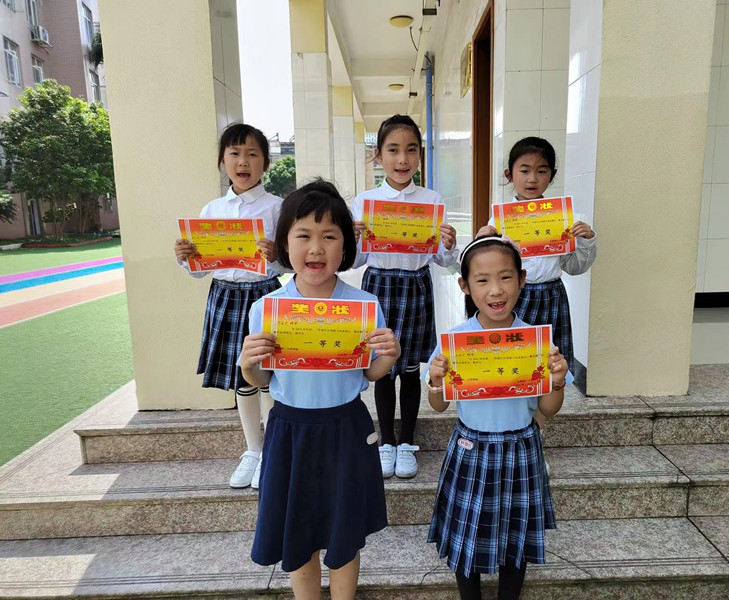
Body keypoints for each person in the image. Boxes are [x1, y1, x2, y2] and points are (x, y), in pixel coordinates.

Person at [239, 180, 400, 600]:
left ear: (345, 246)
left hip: (347, 428)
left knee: (344, 533)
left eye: (329, 236)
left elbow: (371, 374)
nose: (316, 249)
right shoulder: (266, 308)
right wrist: (248, 365)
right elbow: (264, 381)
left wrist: (390, 355)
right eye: (304, 236)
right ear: (284, 243)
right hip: (289, 431)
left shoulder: (363, 305)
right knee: (299, 532)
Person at [425, 236, 569, 600]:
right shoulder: (454, 342)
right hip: (471, 448)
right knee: (466, 534)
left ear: (522, 280)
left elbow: (548, 408)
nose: (496, 290)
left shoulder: (535, 342)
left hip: (522, 447)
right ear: (465, 285)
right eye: (482, 280)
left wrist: (556, 382)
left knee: (516, 537)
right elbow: (438, 406)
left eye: (505, 277)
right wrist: (436, 382)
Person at [174, 123, 283, 489]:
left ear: (265, 162)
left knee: (268, 376)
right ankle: (253, 450)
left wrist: (277, 255)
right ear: (222, 161)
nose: (243, 162)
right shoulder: (213, 209)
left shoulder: (277, 208)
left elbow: (291, 263)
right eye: (234, 154)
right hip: (224, 296)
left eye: (252, 154)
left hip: (265, 296)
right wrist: (186, 256)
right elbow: (199, 271)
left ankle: (271, 454)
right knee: (242, 378)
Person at [351, 114, 458, 479]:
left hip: (416, 286)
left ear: (420, 155)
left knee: (410, 368)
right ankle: (386, 442)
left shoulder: (431, 200)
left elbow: (442, 259)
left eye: (411, 150)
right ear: (378, 155)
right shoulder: (365, 202)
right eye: (393, 150)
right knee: (383, 367)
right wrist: (355, 239)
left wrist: (448, 243)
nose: (402, 159)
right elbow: (356, 260)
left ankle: (408, 442)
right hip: (379, 286)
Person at [477, 136, 596, 375]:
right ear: (509, 174)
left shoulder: (560, 218)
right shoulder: (499, 221)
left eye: (542, 171)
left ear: (551, 175)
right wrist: (481, 240)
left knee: (551, 366)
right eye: (524, 171)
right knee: (515, 363)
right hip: (514, 298)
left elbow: (574, 267)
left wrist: (586, 241)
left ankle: (548, 400)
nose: (532, 179)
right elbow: (483, 267)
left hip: (552, 298)